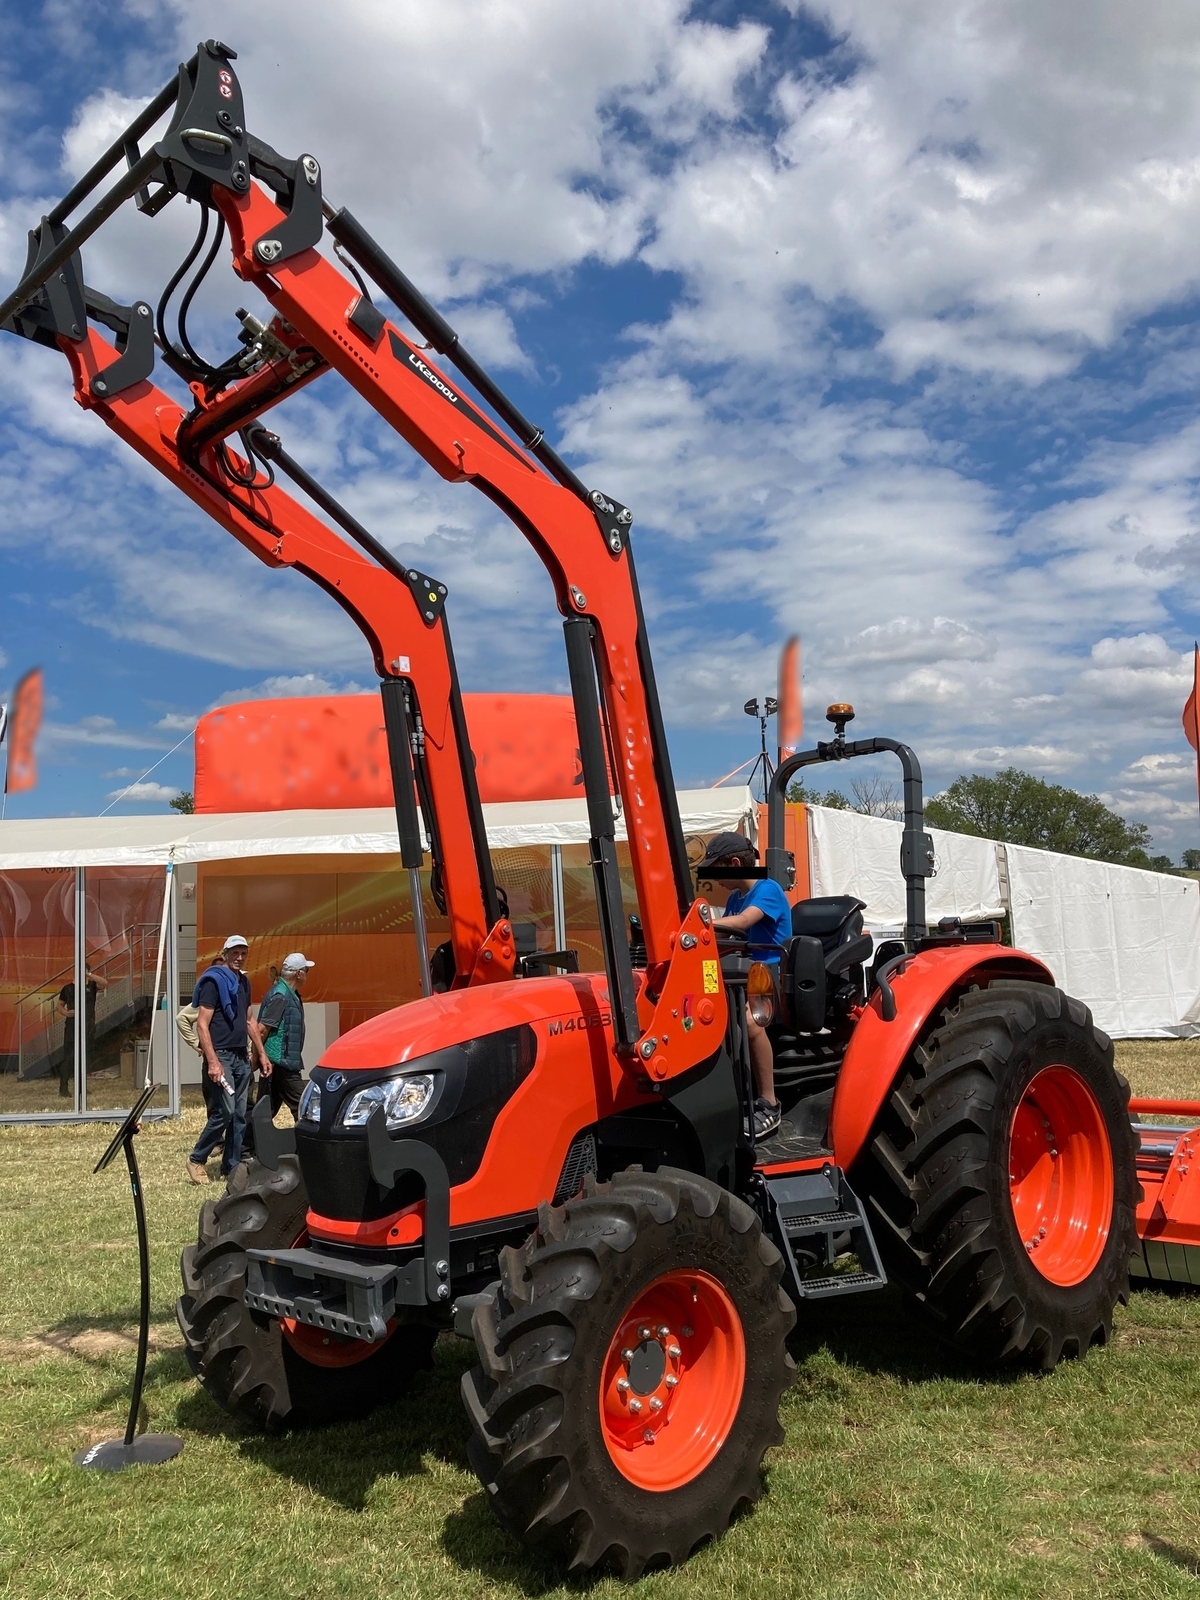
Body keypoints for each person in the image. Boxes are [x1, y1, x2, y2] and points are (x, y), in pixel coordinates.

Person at [695, 831, 792, 1140]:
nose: (714, 879)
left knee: (751, 1023)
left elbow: (743, 923)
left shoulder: (768, 889)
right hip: (746, 974)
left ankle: (769, 1104)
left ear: (735, 863)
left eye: (716, 868)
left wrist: (702, 923)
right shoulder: (736, 897)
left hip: (771, 974)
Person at [185, 935, 270, 1184]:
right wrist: (212, 1062)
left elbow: (249, 1021)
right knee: (226, 1111)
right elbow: (202, 1025)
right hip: (221, 1056)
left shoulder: (243, 982)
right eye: (235, 953)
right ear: (225, 954)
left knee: (241, 1113)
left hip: (240, 1056)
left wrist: (261, 1054)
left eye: (243, 953)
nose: (239, 957)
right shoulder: (213, 982)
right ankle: (196, 1159)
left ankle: (231, 1167)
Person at [254, 951, 315, 1122]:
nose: (306, 976)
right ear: (299, 973)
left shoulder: (288, 993)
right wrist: (258, 1057)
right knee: (304, 1107)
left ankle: (246, 1145)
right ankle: (307, 1144)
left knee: (266, 1110)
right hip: (281, 1063)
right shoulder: (281, 996)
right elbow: (261, 1030)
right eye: (306, 971)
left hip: (280, 1061)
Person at [55, 963, 109, 1098]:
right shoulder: (67, 988)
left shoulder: (91, 986)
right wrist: (66, 1013)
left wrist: (88, 975)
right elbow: (59, 1005)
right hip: (72, 1026)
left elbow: (104, 983)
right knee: (69, 1056)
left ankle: (82, 1087)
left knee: (86, 1056)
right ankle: (63, 1088)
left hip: (88, 1025)